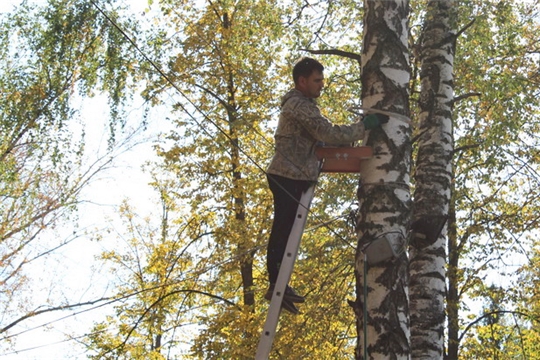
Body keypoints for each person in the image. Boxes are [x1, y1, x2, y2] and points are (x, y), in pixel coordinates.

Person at [265, 57, 389, 314]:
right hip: (287, 175)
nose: (322, 85)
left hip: (295, 175)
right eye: (317, 80)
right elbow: (327, 133)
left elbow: (320, 140)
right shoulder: (298, 105)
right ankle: (276, 283)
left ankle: (279, 284)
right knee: (283, 230)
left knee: (287, 231)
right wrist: (363, 127)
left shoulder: (304, 105)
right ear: (302, 81)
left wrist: (343, 144)